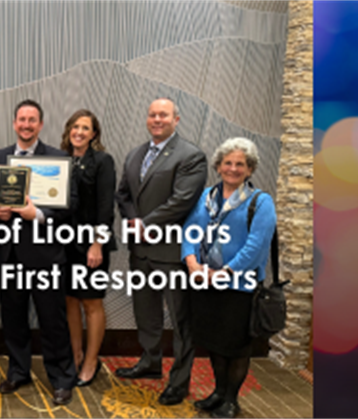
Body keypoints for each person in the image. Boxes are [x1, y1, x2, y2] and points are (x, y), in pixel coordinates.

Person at [0, 99, 78, 406]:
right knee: (14, 319)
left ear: (40, 125)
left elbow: (70, 203)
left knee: (52, 320)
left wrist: (39, 215)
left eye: (32, 120)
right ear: (14, 123)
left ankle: (61, 379)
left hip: (46, 256)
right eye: (21, 119)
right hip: (9, 256)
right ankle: (18, 371)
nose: (26, 125)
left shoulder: (59, 158)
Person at [114, 97, 206, 406]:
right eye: (152, 115)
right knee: (146, 312)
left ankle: (179, 383)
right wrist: (132, 221)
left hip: (171, 252)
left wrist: (145, 223)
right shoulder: (136, 154)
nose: (157, 119)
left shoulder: (191, 156)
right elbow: (123, 194)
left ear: (176, 119)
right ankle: (150, 363)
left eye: (163, 115)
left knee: (180, 321)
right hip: (140, 251)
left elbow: (182, 200)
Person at [181, 138, 275, 419]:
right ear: (219, 166)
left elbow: (256, 245)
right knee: (214, 343)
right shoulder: (206, 197)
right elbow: (189, 230)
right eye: (228, 163)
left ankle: (231, 400)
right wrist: (191, 262)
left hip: (238, 286)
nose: (232, 168)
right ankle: (218, 392)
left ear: (249, 170)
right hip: (205, 282)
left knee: (236, 347)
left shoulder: (260, 202)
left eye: (240, 164)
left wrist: (223, 273)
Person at [58, 109, 116, 387]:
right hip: (63, 243)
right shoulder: (59, 161)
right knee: (69, 299)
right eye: (75, 127)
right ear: (68, 130)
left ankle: (91, 361)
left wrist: (97, 243)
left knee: (91, 302)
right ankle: (75, 354)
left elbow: (106, 207)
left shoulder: (103, 161)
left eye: (85, 128)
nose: (79, 132)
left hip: (92, 244)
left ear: (94, 134)